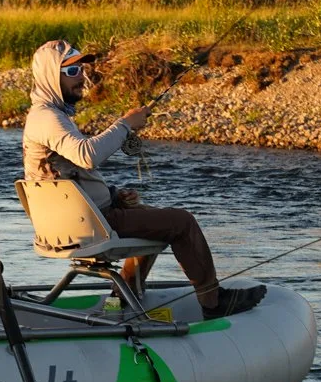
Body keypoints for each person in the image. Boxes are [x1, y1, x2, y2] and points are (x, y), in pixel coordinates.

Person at [22, 39, 265, 319]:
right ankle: (213, 303)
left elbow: (70, 174)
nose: (82, 78)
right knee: (181, 222)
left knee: (148, 216)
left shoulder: (50, 116)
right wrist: (125, 124)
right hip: (89, 226)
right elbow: (87, 155)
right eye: (73, 72)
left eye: (82, 70)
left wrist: (113, 195)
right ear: (51, 76)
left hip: (79, 220)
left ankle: (120, 300)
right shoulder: (47, 117)